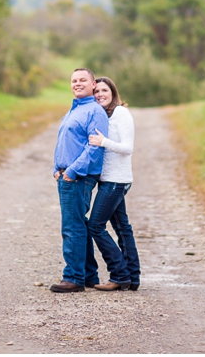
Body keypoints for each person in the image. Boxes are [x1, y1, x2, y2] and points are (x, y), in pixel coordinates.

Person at [49, 68, 109, 293]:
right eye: (74, 80)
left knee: (72, 227)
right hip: (67, 175)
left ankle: (73, 277)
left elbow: (94, 148)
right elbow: (66, 142)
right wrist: (57, 168)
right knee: (79, 225)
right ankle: (89, 275)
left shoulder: (95, 111)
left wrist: (72, 171)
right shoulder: (75, 109)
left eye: (83, 80)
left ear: (93, 84)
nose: (77, 83)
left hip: (79, 177)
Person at [85, 76, 141, 291]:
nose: (100, 94)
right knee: (122, 228)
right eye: (96, 91)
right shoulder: (103, 115)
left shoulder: (121, 113)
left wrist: (103, 142)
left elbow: (127, 148)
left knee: (95, 226)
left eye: (104, 90)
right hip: (109, 180)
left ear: (113, 92)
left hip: (116, 181)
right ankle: (132, 278)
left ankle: (119, 274)